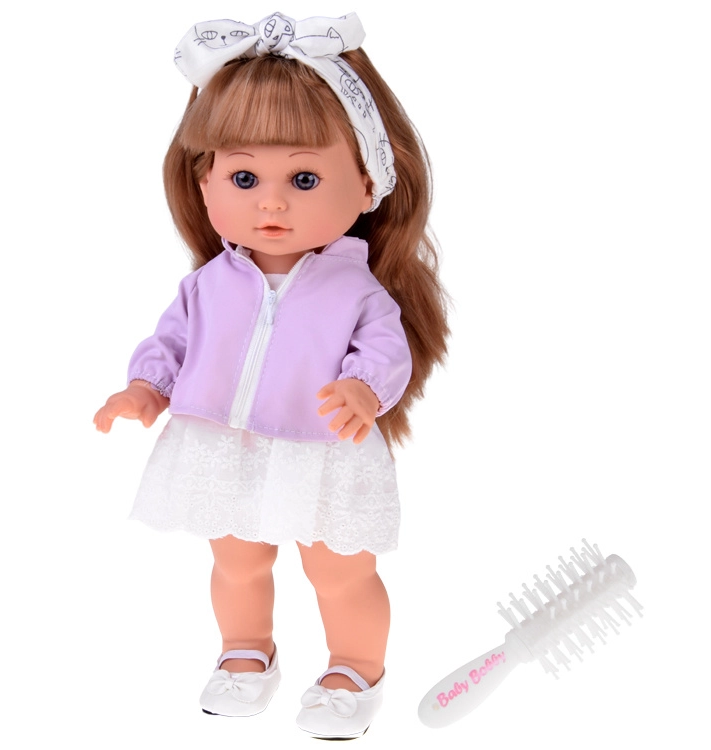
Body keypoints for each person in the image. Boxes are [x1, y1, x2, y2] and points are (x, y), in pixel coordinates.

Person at [93, 12, 449, 739]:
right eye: (245, 176)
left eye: (305, 178)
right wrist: (145, 388)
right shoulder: (208, 284)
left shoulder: (355, 290)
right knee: (236, 562)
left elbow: (386, 351)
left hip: (324, 450)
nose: (272, 201)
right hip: (226, 445)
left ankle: (354, 668)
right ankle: (245, 652)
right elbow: (172, 342)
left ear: (368, 185)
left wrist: (362, 389)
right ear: (205, 183)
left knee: (340, 571)